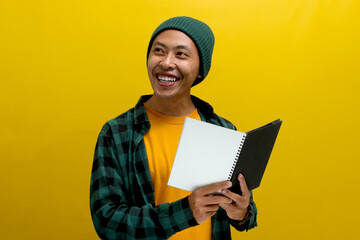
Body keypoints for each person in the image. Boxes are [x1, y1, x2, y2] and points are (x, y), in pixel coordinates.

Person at [90, 16, 257, 240]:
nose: (167, 62)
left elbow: (247, 213)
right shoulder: (117, 133)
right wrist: (185, 212)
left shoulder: (223, 130)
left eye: (181, 54)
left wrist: (242, 213)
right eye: (158, 51)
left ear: (200, 70)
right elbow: (107, 221)